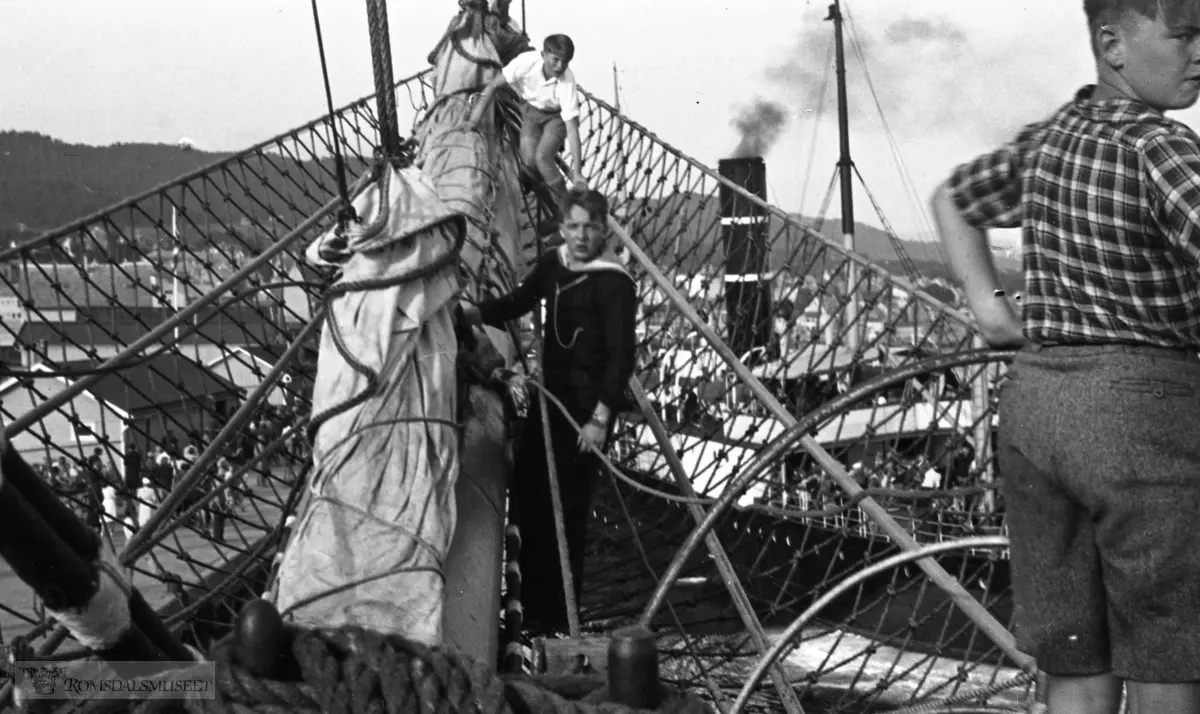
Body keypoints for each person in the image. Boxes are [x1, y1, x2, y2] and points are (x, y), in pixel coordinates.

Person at [929, 2, 1200, 712]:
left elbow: (954, 197)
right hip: (1143, 423)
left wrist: (991, 309)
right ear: (1112, 44)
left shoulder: (1050, 140)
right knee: (1169, 653)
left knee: (1073, 656)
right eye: (1186, 36)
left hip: (1036, 411)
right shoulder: (1161, 146)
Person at [463, 188, 637, 633]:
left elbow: (621, 359)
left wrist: (600, 421)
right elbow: (518, 303)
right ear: (563, 228)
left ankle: (559, 617)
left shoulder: (614, 283)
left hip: (586, 412)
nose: (581, 236)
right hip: (550, 401)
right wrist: (474, 313)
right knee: (529, 491)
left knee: (570, 513)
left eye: (591, 228)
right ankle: (531, 607)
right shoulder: (553, 264)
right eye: (574, 226)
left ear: (604, 229)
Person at [462, 34, 587, 220]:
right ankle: (554, 212)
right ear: (544, 54)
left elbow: (572, 129)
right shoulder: (526, 63)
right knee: (528, 163)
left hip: (556, 117)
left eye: (565, 62)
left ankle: (566, 214)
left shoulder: (567, 81)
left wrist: (577, 173)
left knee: (543, 157)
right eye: (555, 60)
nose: (560, 66)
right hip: (530, 112)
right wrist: (473, 120)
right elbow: (493, 85)